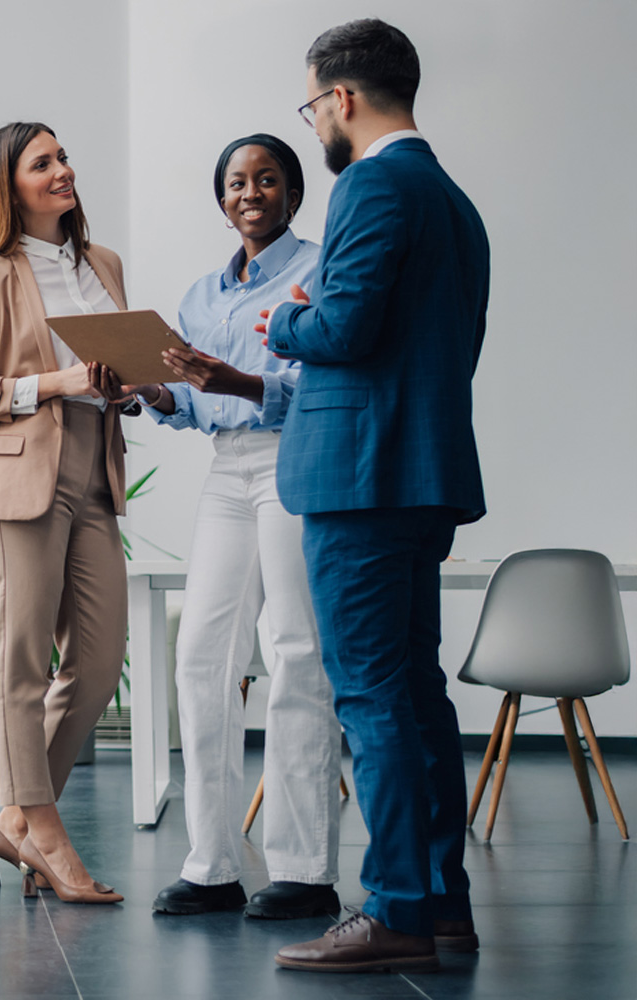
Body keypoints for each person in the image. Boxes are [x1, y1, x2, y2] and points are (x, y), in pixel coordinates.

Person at [259, 20, 490, 972]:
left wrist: (286, 321)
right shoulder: (451, 197)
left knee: (371, 698)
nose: (314, 122)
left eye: (312, 105)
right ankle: (439, 904)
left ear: (342, 99)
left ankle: (395, 908)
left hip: (363, 477)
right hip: (416, 473)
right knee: (413, 694)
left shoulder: (373, 183)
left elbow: (345, 329)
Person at [96, 134, 341, 919]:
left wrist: (234, 379)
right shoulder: (204, 295)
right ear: (222, 198)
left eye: (267, 179)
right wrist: (156, 395)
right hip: (228, 470)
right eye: (236, 182)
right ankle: (212, 865)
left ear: (293, 195)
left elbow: (321, 384)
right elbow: (200, 406)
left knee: (297, 654)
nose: (250, 192)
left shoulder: (320, 272)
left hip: (296, 462)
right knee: (202, 657)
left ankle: (304, 870)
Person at [0, 121, 133, 905]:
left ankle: (14, 819)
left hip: (94, 471)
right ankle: (42, 829)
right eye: (42, 162)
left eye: (63, 158)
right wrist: (55, 383)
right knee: (22, 663)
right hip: (20, 477)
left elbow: (110, 373)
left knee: (97, 661)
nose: (63, 170)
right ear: (7, 184)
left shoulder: (103, 265)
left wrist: (133, 385)